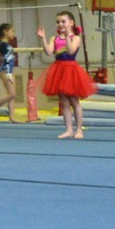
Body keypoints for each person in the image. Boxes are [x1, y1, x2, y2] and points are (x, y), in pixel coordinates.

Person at [39, 10, 94, 138]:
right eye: (58, 22)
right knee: (64, 102)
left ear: (71, 23)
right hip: (59, 70)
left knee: (74, 101)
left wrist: (69, 36)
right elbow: (48, 52)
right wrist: (43, 38)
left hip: (71, 70)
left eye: (63, 21)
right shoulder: (55, 38)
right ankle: (69, 129)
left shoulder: (76, 38)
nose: (60, 24)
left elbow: (70, 51)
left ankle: (79, 130)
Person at [0, 22, 20, 122]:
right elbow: (6, 59)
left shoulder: (5, 44)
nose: (13, 34)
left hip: (8, 70)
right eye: (12, 31)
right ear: (5, 32)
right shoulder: (3, 45)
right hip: (6, 71)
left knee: (11, 94)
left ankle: (12, 117)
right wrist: (8, 74)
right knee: (12, 93)